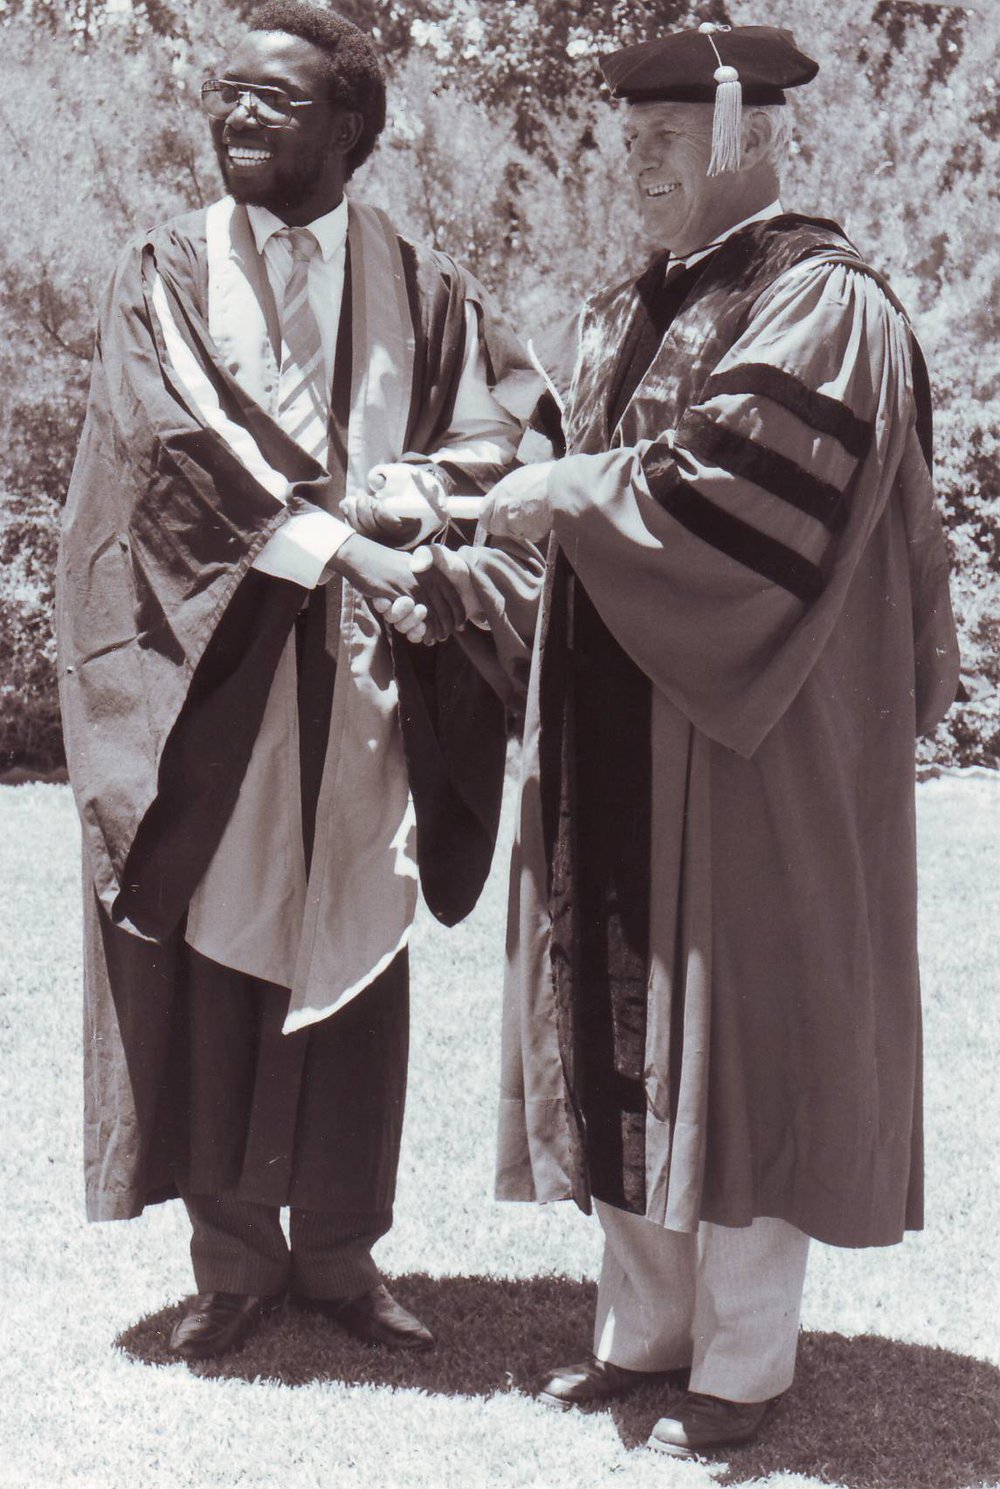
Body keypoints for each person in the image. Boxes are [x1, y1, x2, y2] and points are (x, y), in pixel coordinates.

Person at [485, 23, 959, 1460]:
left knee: (739, 1026)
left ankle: (745, 1362)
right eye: (626, 140)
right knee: (616, 998)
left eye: (665, 141)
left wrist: (565, 486)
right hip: (620, 726)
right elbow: (584, 461)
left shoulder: (823, 302)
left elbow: (736, 498)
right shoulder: (634, 300)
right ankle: (646, 1331)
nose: (635, 163)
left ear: (749, 141)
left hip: (751, 742)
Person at [58, 0, 544, 1363]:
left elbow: (514, 417)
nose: (236, 115)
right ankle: (231, 1262)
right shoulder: (164, 265)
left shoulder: (420, 281)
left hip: (366, 695)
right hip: (214, 685)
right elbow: (174, 441)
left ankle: (338, 1256)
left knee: (356, 960)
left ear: (353, 128)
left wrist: (427, 485)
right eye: (224, 96)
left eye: (273, 100)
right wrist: (349, 547)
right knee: (217, 954)